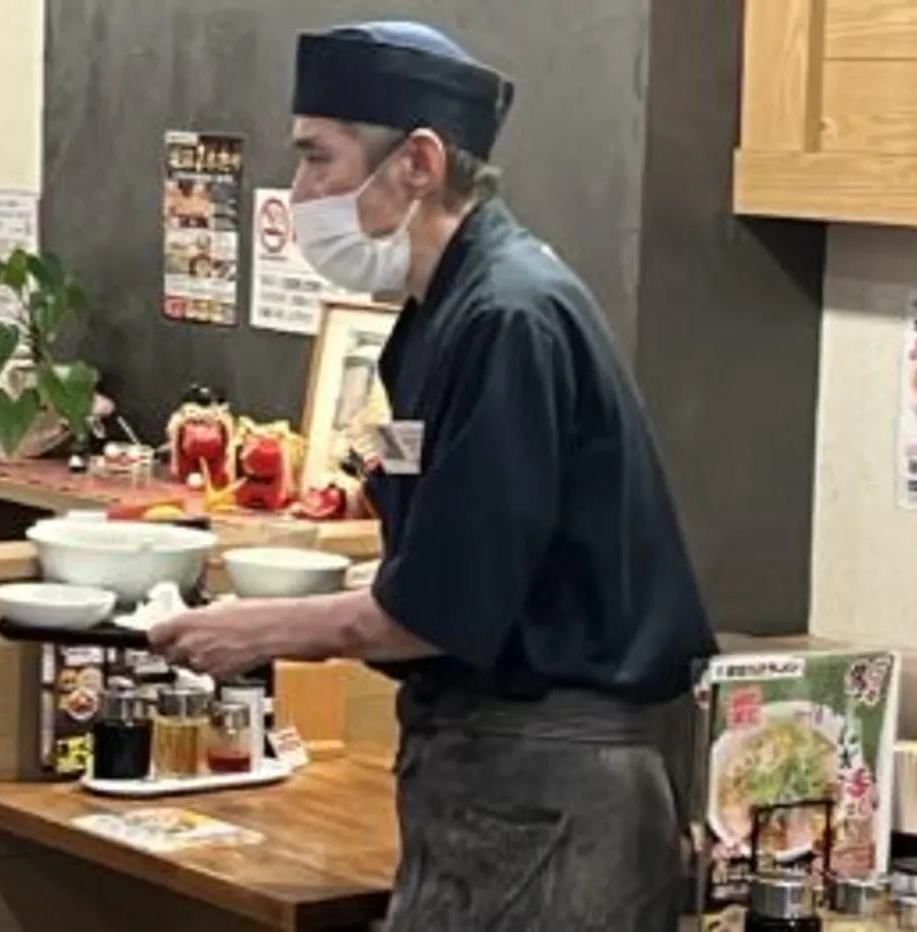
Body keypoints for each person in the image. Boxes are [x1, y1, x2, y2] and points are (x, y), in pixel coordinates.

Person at [148, 21, 719, 931]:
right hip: (496, 763)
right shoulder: (448, 308)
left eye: (317, 161)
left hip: (556, 774)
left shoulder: (509, 318)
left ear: (417, 161)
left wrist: (254, 630)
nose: (297, 196)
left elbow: (440, 610)